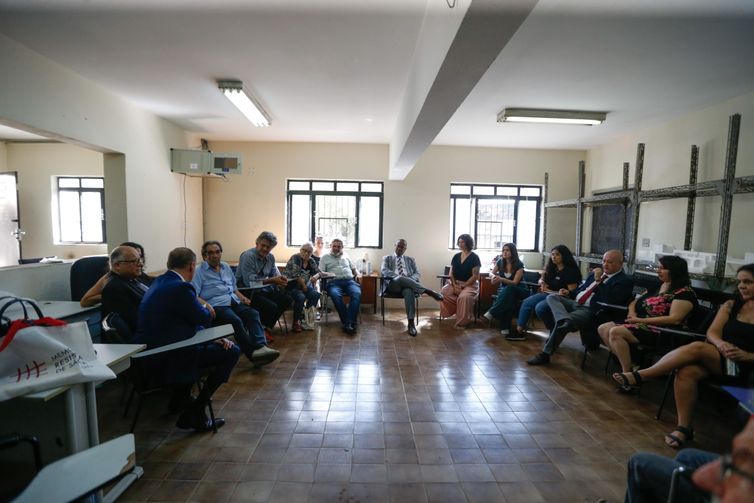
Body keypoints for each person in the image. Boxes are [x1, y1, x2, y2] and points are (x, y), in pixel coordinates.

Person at [613, 263, 754, 449]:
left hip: (746, 369)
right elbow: (712, 333)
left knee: (697, 348)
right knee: (687, 371)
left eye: (748, 282)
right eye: (740, 282)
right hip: (722, 361)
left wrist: (747, 355)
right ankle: (684, 427)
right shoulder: (732, 305)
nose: (741, 286)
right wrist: (720, 344)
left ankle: (642, 376)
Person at [135, 247, 240, 432]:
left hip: (155, 350)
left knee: (215, 345)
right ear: (192, 266)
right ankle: (196, 413)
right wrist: (206, 307)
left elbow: (183, 322)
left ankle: (179, 400)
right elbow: (204, 318)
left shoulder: (160, 281)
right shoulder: (181, 288)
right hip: (168, 356)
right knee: (231, 351)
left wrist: (208, 340)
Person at [600, 255, 697, 389]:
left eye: (662, 268)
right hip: (641, 323)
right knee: (603, 328)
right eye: (658, 268)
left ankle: (627, 374)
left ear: (675, 271)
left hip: (662, 331)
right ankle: (634, 366)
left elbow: (674, 319)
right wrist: (632, 312)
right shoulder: (659, 285)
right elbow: (635, 301)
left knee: (616, 332)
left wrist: (639, 320)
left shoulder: (684, 293)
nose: (658, 271)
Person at [527, 249, 634, 365]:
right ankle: (564, 319)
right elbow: (581, 290)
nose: (605, 264)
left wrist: (599, 280)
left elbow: (609, 299)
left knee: (561, 324)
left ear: (620, 264)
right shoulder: (594, 274)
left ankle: (545, 354)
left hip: (590, 310)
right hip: (575, 302)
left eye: (610, 262)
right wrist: (568, 292)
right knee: (552, 298)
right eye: (603, 261)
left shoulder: (624, 281)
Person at [192, 240, 279, 367]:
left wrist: (242, 297)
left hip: (233, 300)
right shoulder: (199, 271)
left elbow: (234, 288)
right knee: (235, 320)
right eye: (210, 253)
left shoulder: (225, 267)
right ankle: (253, 354)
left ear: (221, 253)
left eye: (217, 252)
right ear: (204, 256)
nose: (215, 255)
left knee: (253, 314)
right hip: (216, 305)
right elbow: (194, 295)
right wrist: (207, 305)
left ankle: (261, 346)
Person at [380, 238, 443, 337]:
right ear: (395, 246)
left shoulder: (410, 260)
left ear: (405, 249)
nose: (400, 248)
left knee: (409, 291)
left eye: (403, 247)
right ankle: (428, 291)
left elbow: (417, 273)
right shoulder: (387, 258)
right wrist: (398, 277)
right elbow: (384, 271)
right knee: (399, 278)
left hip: (407, 285)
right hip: (393, 285)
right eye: (398, 246)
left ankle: (411, 323)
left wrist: (409, 280)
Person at [515, 245, 581, 338]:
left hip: (559, 298)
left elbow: (572, 293)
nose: (553, 257)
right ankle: (519, 332)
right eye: (552, 254)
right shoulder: (551, 268)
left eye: (557, 255)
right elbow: (542, 278)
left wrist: (551, 291)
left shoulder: (570, 271)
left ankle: (555, 330)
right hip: (546, 294)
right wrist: (541, 281)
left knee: (540, 308)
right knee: (527, 302)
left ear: (564, 256)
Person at [236, 231, 293, 331]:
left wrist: (281, 279)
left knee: (287, 299)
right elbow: (250, 283)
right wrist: (273, 280)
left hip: (263, 290)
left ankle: (264, 326)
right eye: (263, 245)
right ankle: (261, 328)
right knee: (271, 306)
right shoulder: (248, 256)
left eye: (269, 247)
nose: (265, 249)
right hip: (246, 292)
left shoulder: (270, 258)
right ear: (257, 243)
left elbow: (275, 274)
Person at [100, 245, 153, 339]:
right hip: (146, 338)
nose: (140, 264)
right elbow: (135, 322)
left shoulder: (134, 277)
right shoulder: (114, 288)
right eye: (134, 261)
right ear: (117, 265)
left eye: (140, 260)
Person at [80, 241, 152, 307]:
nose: (140, 263)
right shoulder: (112, 280)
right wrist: (112, 295)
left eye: (140, 257)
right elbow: (85, 301)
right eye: (134, 259)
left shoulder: (135, 275)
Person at [483, 243, 530, 339]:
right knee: (509, 300)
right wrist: (493, 277)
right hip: (506, 291)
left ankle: (493, 312)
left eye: (507, 250)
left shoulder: (519, 264)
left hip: (520, 290)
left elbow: (515, 282)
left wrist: (500, 279)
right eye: (503, 250)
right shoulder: (500, 262)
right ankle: (505, 329)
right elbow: (491, 273)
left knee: (509, 288)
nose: (505, 252)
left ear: (512, 252)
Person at [319, 238, 361, 335]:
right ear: (330, 246)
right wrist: (330, 274)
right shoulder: (324, 257)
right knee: (335, 295)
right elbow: (321, 273)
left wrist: (358, 275)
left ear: (342, 247)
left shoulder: (346, 256)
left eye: (339, 246)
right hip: (334, 282)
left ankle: (347, 323)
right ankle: (350, 322)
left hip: (350, 281)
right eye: (334, 246)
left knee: (357, 294)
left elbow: (354, 269)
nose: (336, 248)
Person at [440, 234, 482, 329]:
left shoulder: (475, 257)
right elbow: (451, 273)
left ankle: (462, 322)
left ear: (468, 242)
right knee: (443, 292)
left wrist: (464, 286)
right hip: (456, 283)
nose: (460, 244)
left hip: (470, 285)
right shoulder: (456, 256)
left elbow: (475, 276)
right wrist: (454, 286)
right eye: (459, 242)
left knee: (464, 297)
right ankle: (459, 310)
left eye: (462, 241)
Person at [284, 242, 321, 332]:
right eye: (304, 250)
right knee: (301, 297)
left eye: (309, 252)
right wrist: (304, 286)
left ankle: (306, 319)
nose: (306, 253)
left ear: (311, 253)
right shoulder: (296, 258)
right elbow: (296, 275)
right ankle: (296, 322)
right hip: (291, 285)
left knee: (316, 295)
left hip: (303, 286)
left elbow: (318, 272)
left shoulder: (311, 260)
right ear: (300, 250)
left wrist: (315, 277)